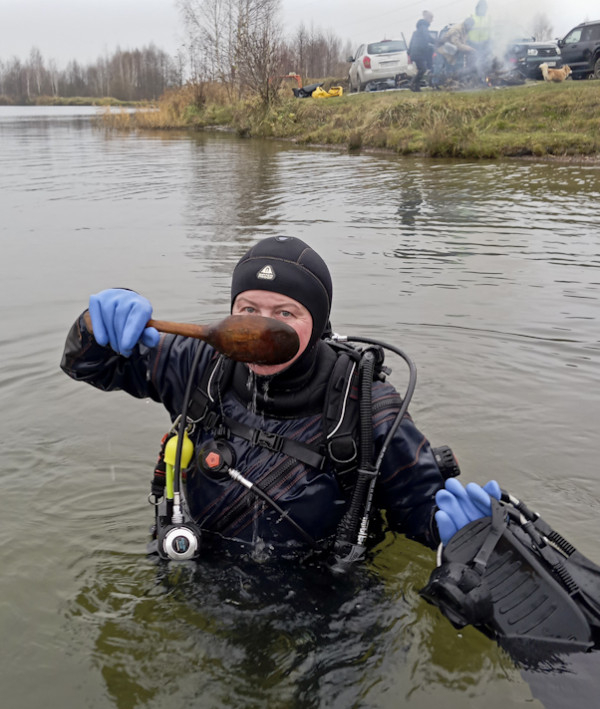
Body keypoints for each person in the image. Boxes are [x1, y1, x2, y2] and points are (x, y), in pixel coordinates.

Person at [60, 235, 498, 564]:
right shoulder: (198, 363)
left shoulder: (364, 403)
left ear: (319, 324)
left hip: (324, 596)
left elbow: (418, 505)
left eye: (285, 314)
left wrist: (459, 536)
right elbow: (89, 365)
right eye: (247, 310)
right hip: (201, 567)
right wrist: (95, 328)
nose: (259, 327)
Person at [431, 18, 476, 88]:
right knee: (440, 67)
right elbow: (456, 43)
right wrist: (469, 48)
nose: (471, 28)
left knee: (451, 69)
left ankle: (450, 83)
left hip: (451, 52)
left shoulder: (464, 30)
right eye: (470, 26)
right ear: (467, 25)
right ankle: (435, 84)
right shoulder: (457, 30)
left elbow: (462, 42)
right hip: (443, 50)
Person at [408, 16, 436, 92]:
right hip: (419, 53)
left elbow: (411, 43)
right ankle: (412, 83)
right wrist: (437, 42)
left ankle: (416, 87)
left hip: (415, 53)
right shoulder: (424, 29)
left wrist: (409, 53)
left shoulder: (416, 32)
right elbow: (428, 38)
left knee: (421, 69)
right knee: (423, 69)